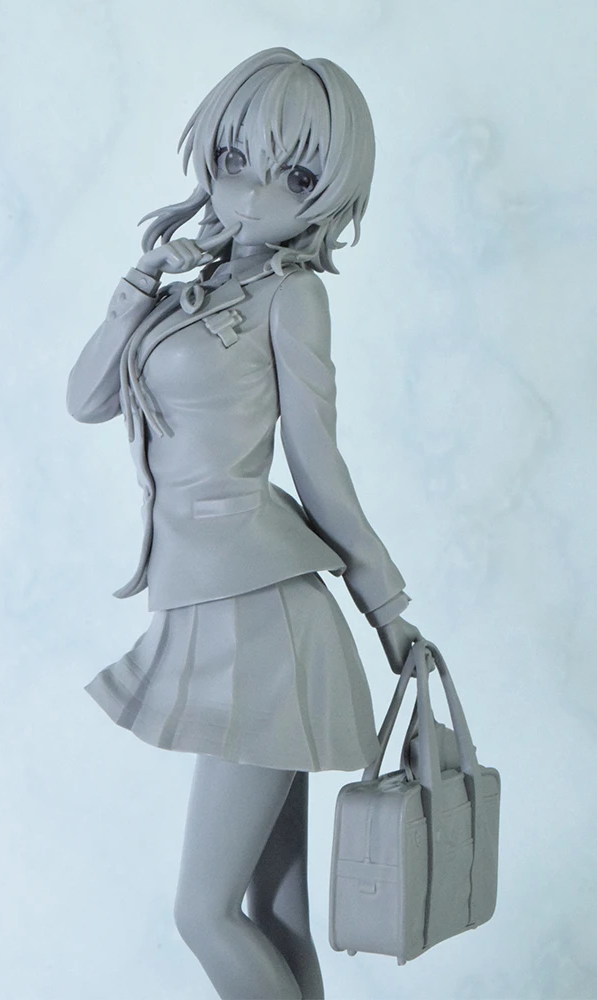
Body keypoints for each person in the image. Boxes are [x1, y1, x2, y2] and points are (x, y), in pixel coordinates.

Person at [67, 46, 425, 1000]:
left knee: (205, 912)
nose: (254, 195)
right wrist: (136, 289)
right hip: (210, 602)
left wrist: (386, 608)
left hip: (262, 618)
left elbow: (319, 466)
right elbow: (86, 399)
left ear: (330, 192)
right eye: (234, 161)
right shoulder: (186, 288)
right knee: (272, 908)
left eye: (295, 177)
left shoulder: (293, 297)